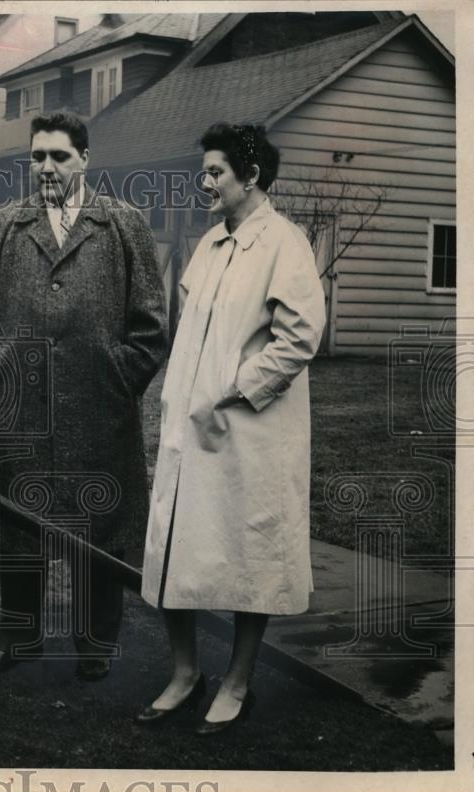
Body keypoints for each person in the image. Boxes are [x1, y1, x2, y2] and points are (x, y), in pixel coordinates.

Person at [0, 112, 167, 680]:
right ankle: (19, 639)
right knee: (16, 526)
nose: (46, 167)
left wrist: (117, 380)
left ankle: (95, 643)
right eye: (37, 157)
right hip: (18, 408)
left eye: (59, 156)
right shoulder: (3, 226)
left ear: (85, 159)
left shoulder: (124, 225)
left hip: (98, 408)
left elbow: (150, 325)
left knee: (97, 530)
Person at [136, 123, 326, 734]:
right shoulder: (210, 243)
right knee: (172, 550)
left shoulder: (285, 243)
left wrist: (237, 389)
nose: (206, 181)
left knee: (251, 554)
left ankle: (238, 680)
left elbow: (299, 337)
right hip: (189, 428)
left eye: (216, 171)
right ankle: (186, 672)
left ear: (253, 177)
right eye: (206, 170)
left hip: (250, 429)